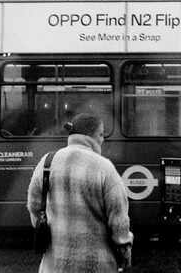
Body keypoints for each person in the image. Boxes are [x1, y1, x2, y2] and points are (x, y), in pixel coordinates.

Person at [27, 113, 133, 272]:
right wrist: (125, 256)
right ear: (95, 135)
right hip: (96, 265)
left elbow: (34, 206)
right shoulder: (104, 167)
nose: (103, 140)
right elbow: (119, 222)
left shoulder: (47, 162)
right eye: (102, 134)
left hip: (54, 265)